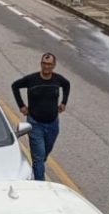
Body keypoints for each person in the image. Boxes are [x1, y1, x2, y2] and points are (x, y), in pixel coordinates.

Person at [11, 53, 71, 181]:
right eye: (44, 63)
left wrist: (64, 102)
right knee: (38, 158)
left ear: (54, 65)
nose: (46, 66)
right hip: (35, 124)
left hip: (53, 125)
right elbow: (15, 86)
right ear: (41, 64)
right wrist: (21, 105)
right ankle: (40, 184)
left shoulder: (57, 80)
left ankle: (37, 168)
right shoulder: (32, 79)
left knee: (43, 155)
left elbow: (67, 85)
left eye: (49, 64)